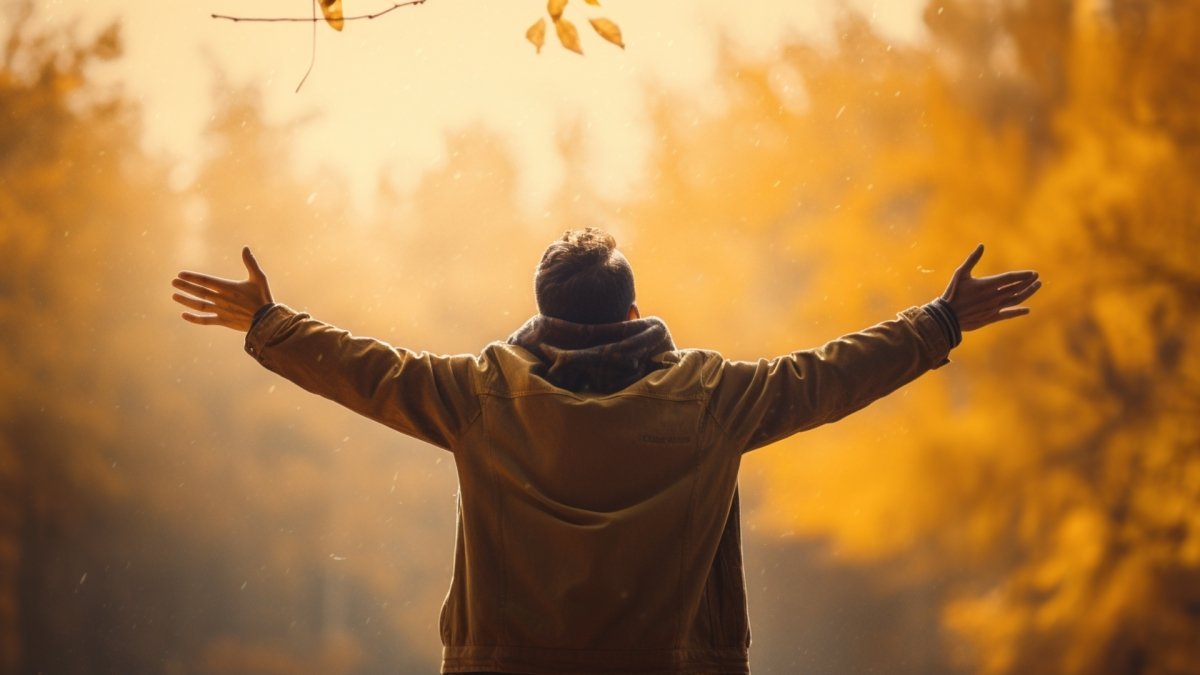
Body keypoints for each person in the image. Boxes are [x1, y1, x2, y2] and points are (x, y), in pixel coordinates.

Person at [170, 229, 1040, 675]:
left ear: (543, 315)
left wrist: (268, 323)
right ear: (633, 314)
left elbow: (367, 371)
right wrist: (940, 320)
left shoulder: (480, 395)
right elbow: (829, 375)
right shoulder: (711, 397)